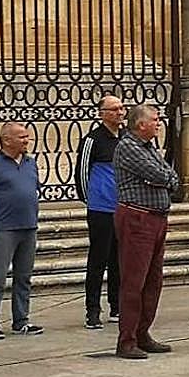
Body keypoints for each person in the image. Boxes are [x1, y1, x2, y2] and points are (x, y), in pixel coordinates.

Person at [113, 104, 180, 359]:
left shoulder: (149, 147)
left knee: (153, 280)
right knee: (134, 281)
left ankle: (143, 333)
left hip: (157, 218)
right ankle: (127, 339)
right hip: (137, 218)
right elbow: (160, 175)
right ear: (140, 124)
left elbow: (171, 176)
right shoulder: (128, 147)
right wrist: (165, 179)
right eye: (154, 119)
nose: (158, 123)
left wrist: (166, 179)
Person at [0, 122, 44, 340]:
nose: (26, 141)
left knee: (24, 276)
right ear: (6, 140)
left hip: (29, 226)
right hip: (5, 228)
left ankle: (21, 320)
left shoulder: (30, 163)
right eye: (21, 137)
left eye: (27, 136)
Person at [75, 96, 125, 329]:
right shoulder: (92, 140)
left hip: (123, 207)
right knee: (98, 259)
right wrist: (90, 199)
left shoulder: (127, 138)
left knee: (119, 259)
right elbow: (81, 172)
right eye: (114, 109)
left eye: (122, 108)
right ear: (102, 113)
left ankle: (117, 306)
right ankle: (92, 310)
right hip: (100, 209)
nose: (119, 112)